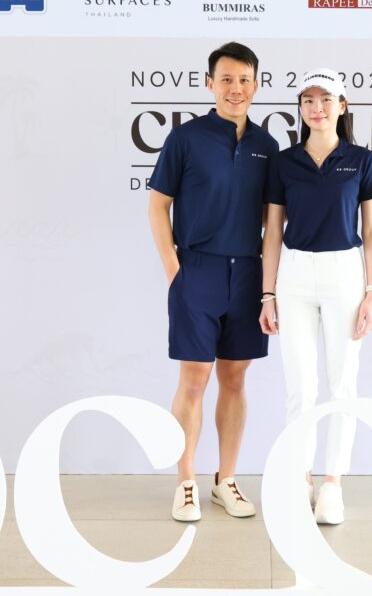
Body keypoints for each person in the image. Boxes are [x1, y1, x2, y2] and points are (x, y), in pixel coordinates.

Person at [148, 42, 280, 522]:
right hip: (196, 271)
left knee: (235, 377)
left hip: (247, 274)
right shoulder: (185, 138)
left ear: (256, 85)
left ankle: (226, 480)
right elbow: (158, 206)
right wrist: (175, 271)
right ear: (210, 84)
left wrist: (268, 287)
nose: (235, 88)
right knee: (194, 378)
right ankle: (185, 481)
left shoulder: (268, 147)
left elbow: (272, 222)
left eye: (244, 79)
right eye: (226, 79)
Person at [259, 68, 372, 524]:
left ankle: (332, 483)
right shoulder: (284, 162)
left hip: (344, 274)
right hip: (294, 275)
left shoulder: (361, 160)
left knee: (342, 383)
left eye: (326, 99)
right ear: (301, 108)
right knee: (301, 387)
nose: (317, 108)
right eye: (308, 100)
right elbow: (273, 231)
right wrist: (267, 294)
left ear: (342, 105)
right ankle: (301, 477)